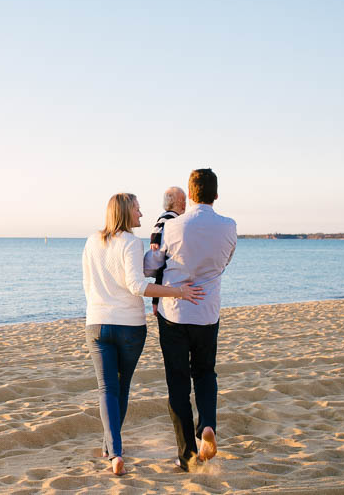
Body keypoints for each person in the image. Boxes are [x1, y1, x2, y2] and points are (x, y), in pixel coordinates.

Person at [82, 192, 205, 476]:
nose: (141, 214)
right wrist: (178, 292)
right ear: (126, 213)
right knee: (120, 388)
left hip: (96, 324)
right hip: (128, 326)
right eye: (137, 209)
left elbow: (87, 284)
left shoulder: (91, 242)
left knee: (107, 389)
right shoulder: (130, 243)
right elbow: (137, 285)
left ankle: (111, 449)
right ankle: (113, 450)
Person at [144, 169, 237, 471]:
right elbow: (225, 261)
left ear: (190, 194)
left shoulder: (173, 226)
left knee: (178, 383)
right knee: (206, 373)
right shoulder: (229, 226)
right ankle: (207, 424)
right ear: (216, 195)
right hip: (207, 313)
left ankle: (187, 455)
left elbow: (153, 265)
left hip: (174, 313)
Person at [149, 187, 187, 318]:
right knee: (160, 277)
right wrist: (155, 240)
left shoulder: (171, 216)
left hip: (165, 255)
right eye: (183, 200)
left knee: (159, 278)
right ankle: (155, 303)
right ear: (178, 202)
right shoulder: (170, 216)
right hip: (164, 255)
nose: (185, 204)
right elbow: (158, 228)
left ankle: (155, 303)